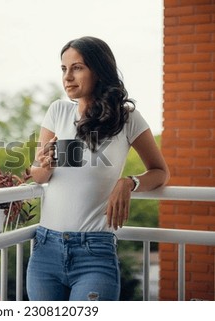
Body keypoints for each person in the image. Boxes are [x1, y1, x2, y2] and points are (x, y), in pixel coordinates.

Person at [26, 36, 170, 301]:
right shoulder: (57, 112)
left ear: (99, 71)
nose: (67, 76)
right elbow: (37, 174)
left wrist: (129, 182)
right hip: (46, 249)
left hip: (94, 252)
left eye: (77, 67)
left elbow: (160, 172)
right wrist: (42, 166)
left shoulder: (126, 118)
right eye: (63, 68)